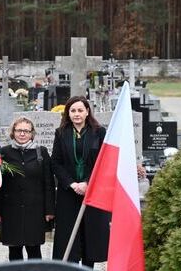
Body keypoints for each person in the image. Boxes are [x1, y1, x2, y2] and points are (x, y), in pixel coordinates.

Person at [51, 96, 110, 268]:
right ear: (68, 113)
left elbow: (103, 160)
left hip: (92, 190)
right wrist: (71, 184)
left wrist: (87, 182)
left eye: (80, 110)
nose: (77, 114)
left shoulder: (99, 132)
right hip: (68, 192)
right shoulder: (61, 133)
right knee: (69, 234)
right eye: (73, 111)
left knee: (89, 233)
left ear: (87, 112)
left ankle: (88, 266)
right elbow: (56, 162)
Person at [0, 117, 55, 261]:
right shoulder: (4, 153)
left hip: (35, 210)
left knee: (34, 251)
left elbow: (49, 182)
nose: (22, 134)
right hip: (11, 210)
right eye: (19, 130)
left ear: (32, 133)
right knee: (14, 251)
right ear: (13, 132)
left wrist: (49, 210)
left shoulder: (41, 152)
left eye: (26, 131)